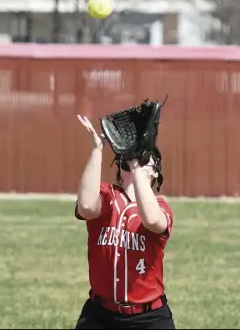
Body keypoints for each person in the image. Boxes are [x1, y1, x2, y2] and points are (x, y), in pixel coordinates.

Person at [74, 114, 176, 329]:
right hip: (100, 314)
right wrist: (97, 149)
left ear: (155, 171)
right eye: (128, 160)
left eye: (145, 157)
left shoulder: (160, 207)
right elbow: (86, 207)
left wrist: (135, 164)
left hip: (149, 317)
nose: (135, 161)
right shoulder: (107, 196)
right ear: (119, 169)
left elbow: (151, 219)